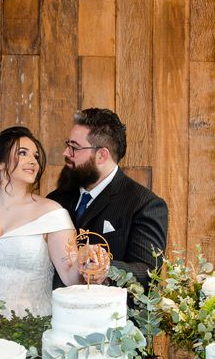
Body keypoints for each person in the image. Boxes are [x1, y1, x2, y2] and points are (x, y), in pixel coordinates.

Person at [0, 126, 86, 318]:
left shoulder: (52, 213)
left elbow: (70, 276)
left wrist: (87, 262)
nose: (33, 161)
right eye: (23, 153)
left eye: (35, 156)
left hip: (32, 326)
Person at [47, 108, 168, 289]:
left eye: (74, 147)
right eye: (67, 145)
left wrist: (105, 269)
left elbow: (148, 271)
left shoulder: (144, 204)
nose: (66, 153)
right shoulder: (56, 200)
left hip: (108, 314)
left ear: (102, 155)